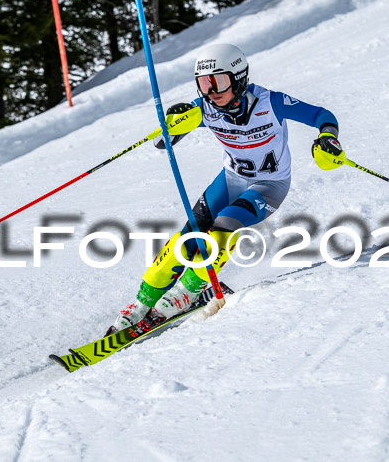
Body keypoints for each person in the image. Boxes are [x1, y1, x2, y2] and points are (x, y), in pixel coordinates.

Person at [106, 43, 345, 335]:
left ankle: (188, 291)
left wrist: (328, 138)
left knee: (225, 224)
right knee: (190, 234)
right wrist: (173, 124)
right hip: (231, 180)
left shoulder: (271, 102)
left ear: (239, 77)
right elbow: (162, 140)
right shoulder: (205, 108)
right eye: (203, 84)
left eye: (218, 81)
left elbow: (322, 115)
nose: (211, 91)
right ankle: (142, 302)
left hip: (270, 185)